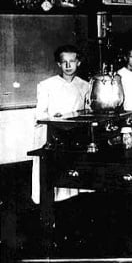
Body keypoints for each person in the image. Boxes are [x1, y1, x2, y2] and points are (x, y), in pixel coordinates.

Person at [33, 44, 90, 204]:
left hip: (74, 137)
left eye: (72, 61)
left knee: (74, 178)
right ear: (58, 64)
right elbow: (39, 114)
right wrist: (53, 117)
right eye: (64, 62)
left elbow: (87, 111)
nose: (68, 65)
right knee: (52, 179)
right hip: (53, 136)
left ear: (78, 62)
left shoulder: (85, 86)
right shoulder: (46, 85)